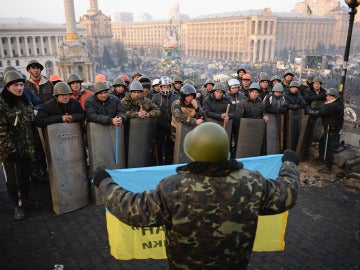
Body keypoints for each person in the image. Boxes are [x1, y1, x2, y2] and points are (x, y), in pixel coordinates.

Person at [93, 122, 300, 270]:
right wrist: (289, 164)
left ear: (191, 152)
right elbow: (287, 193)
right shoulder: (252, 182)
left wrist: (104, 182)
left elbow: (131, 208)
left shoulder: (173, 187)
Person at [0, 71, 41, 219]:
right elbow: (1, 132)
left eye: (21, 85)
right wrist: (10, 150)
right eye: (16, 85)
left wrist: (35, 143)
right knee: (13, 181)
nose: (19, 88)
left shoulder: (24, 100)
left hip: (26, 148)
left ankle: (26, 199)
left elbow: (31, 122)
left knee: (25, 177)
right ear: (8, 86)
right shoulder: (2, 103)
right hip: (11, 152)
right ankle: (17, 205)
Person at [306, 88, 344, 174]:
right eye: (327, 95)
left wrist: (308, 110)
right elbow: (322, 108)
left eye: (330, 96)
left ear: (334, 97)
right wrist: (312, 109)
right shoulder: (337, 103)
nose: (327, 97)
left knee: (328, 148)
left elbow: (319, 113)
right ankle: (321, 158)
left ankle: (328, 167)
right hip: (332, 128)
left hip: (331, 129)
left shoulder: (333, 106)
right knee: (322, 142)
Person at [152, 76, 178, 165]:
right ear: (160, 87)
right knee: (159, 146)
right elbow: (152, 110)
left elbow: (177, 110)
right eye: (164, 87)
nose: (166, 88)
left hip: (171, 126)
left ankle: (168, 164)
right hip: (159, 126)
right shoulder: (155, 97)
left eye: (167, 87)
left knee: (170, 147)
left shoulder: (175, 97)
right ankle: (158, 164)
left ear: (170, 87)